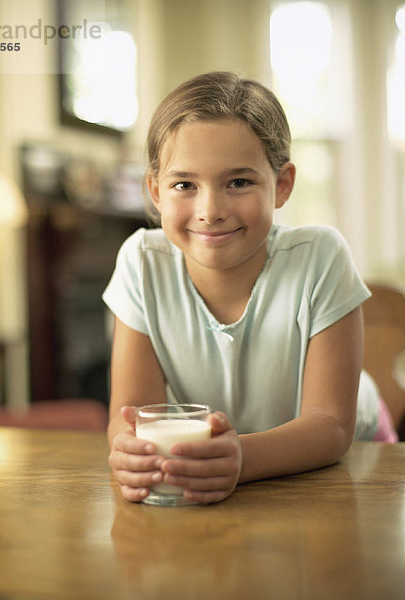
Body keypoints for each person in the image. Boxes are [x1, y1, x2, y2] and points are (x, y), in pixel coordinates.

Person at [104, 71, 398, 505]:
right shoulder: (141, 264)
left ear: (281, 185)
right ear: (155, 191)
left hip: (355, 456)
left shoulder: (320, 257)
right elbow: (131, 415)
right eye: (184, 184)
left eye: (238, 182)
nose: (210, 211)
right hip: (219, 466)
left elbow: (331, 426)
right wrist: (132, 451)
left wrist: (239, 456)